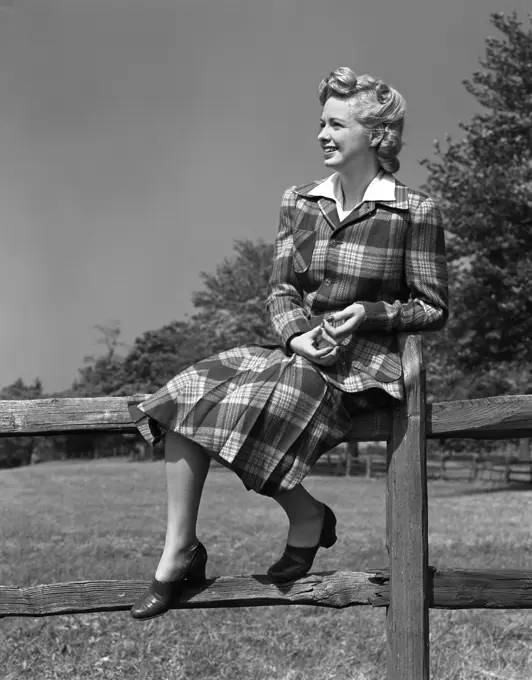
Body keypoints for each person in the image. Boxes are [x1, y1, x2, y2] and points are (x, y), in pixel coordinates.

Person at [128, 66, 449, 620]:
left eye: (337, 124)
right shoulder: (299, 201)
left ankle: (304, 518)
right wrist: (298, 336)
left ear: (376, 136)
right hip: (300, 354)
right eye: (321, 122)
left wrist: (368, 314)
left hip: (364, 366)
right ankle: (181, 548)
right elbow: (280, 290)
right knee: (187, 389)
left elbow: (432, 307)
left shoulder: (413, 211)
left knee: (268, 398)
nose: (323, 133)